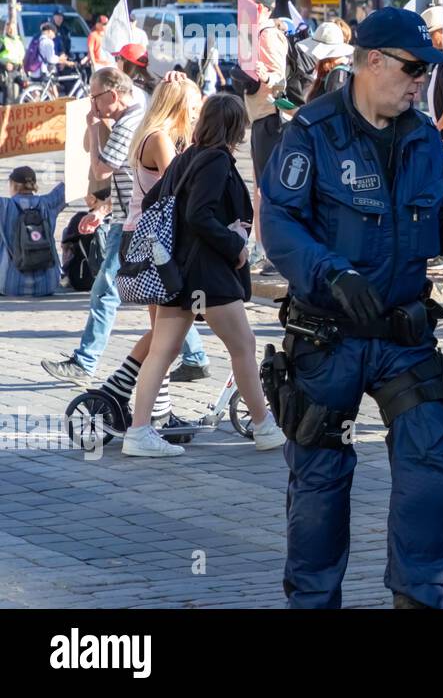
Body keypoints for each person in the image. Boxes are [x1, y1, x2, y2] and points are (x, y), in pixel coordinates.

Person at [261, 6, 443, 608]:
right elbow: (280, 221)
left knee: (431, 469)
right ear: (371, 62)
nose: (422, 81)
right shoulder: (311, 131)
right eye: (413, 68)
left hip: (402, 339)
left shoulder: (422, 137)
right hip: (328, 339)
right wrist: (330, 272)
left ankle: (419, 599)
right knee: (320, 484)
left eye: (427, 71)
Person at [121, 94, 286, 457]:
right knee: (243, 346)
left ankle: (139, 430)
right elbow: (199, 214)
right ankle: (264, 427)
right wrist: (233, 243)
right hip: (207, 273)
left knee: (163, 350)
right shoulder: (214, 160)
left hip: (176, 271)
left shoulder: (185, 159)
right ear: (235, 127)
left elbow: (153, 203)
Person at [41, 68, 211, 384]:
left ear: (112, 94)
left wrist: (93, 127)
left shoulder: (138, 125)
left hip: (137, 227)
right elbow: (128, 179)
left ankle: (100, 371)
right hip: (141, 228)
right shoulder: (147, 130)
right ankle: (169, 371)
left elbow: (118, 177)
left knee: (141, 312)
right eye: (194, 107)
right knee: (157, 307)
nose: (91, 103)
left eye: (94, 96)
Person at [94, 78, 206, 438]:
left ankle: (146, 405)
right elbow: (182, 180)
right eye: (193, 106)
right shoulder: (158, 137)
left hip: (143, 240)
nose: (196, 112)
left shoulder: (158, 133)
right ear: (178, 106)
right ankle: (143, 407)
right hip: (150, 244)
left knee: (163, 334)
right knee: (166, 336)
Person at [243, 0, 289, 276]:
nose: (248, 8)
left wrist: (265, 75)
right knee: (261, 189)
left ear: (264, 7)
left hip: (271, 116)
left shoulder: (267, 34)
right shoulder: (253, 33)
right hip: (261, 117)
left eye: (252, 4)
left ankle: (275, 252)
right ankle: (265, 248)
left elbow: (279, 76)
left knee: (270, 189)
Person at [1, 165, 66, 296]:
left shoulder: (4, 206)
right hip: (47, 285)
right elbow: (70, 185)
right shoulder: (47, 203)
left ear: (13, 184)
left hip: (9, 285)